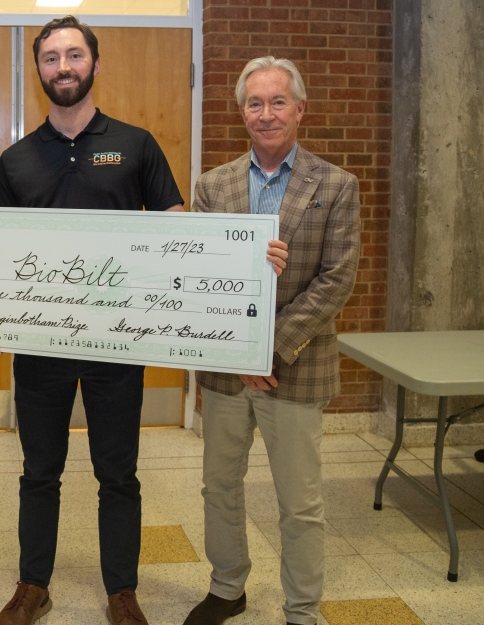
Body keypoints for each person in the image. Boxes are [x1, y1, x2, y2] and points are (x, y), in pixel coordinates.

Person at [0, 15, 186, 625]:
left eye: (73, 55)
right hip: (40, 348)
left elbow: (175, 228)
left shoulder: (137, 143)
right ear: (37, 69)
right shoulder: (15, 159)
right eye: (50, 58)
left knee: (117, 472)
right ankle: (32, 584)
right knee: (39, 471)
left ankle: (122, 590)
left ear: (94, 62)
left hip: (115, 345)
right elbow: (1, 253)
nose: (62, 67)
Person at [183, 57, 359, 625]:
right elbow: (200, 274)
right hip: (227, 370)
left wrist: (270, 348)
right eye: (254, 104)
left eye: (277, 102)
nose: (266, 113)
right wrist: (241, 349)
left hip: (297, 367)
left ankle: (303, 610)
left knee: (300, 503)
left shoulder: (336, 186)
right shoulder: (212, 186)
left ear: (300, 109)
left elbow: (338, 281)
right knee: (219, 488)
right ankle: (227, 586)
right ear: (241, 114)